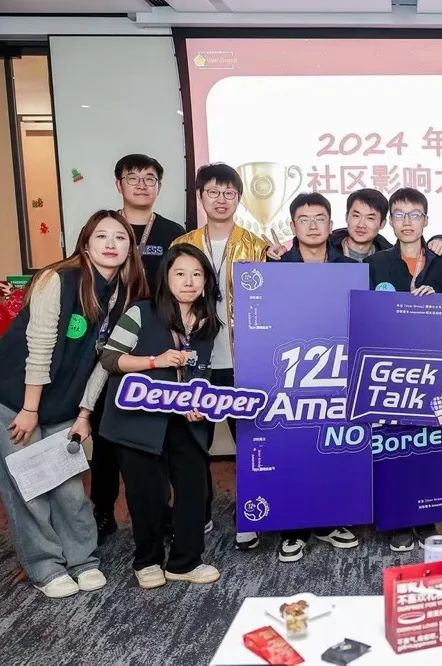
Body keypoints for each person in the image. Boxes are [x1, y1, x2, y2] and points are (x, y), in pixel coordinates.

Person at [0, 210, 147, 598]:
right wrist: (29, 410)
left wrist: (85, 413)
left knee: (68, 485)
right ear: (86, 243)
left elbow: (105, 362)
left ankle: (82, 560)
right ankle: (45, 566)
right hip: (14, 397)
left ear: (130, 248)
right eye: (101, 236)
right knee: (30, 486)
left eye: (120, 237)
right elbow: (39, 347)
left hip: (63, 404)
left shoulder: (125, 294)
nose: (111, 244)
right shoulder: (56, 279)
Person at [88, 244, 222, 588]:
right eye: (181, 273)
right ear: (166, 278)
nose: (189, 281)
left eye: (197, 274)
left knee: (194, 489)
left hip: (185, 420)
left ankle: (185, 562)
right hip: (138, 420)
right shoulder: (141, 312)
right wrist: (155, 361)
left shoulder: (208, 323)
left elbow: (201, 371)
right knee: (147, 493)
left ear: (206, 281)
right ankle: (147, 561)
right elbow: (109, 359)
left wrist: (199, 402)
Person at [171, 162, 270, 551]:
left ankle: (251, 515)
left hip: (243, 360)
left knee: (250, 441)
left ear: (239, 198)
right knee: (195, 443)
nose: (221, 199)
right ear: (200, 196)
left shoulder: (258, 245)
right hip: (194, 359)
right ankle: (200, 512)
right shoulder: (184, 245)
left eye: (229, 193)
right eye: (213, 192)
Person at [90, 153, 186, 544]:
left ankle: (161, 511)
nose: (142, 185)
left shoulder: (173, 231)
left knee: (157, 430)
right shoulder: (107, 227)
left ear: (159, 186)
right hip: (107, 339)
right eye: (133, 178)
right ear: (119, 185)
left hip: (156, 336)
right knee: (106, 431)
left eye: (150, 179)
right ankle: (102, 510)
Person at [273, 192, 360, 562]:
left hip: (338, 368)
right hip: (289, 370)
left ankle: (331, 521)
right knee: (294, 448)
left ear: (331, 224)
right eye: (304, 219)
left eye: (319, 218)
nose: (312, 225)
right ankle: (293, 528)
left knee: (333, 447)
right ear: (293, 226)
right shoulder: (276, 267)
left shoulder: (349, 267)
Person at [367, 187, 442, 551]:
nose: (407, 222)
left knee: (427, 442)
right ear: (390, 221)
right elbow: (368, 314)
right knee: (393, 442)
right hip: (390, 368)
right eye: (400, 215)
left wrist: (438, 302)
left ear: (426, 220)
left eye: (414, 214)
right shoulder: (376, 263)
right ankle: (399, 519)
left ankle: (426, 513)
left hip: (432, 368)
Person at [329, 188, 442, 261]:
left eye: (370, 218)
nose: (361, 224)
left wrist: (441, 240)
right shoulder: (327, 249)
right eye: (356, 216)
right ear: (346, 217)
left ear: (383, 223)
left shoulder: (386, 256)